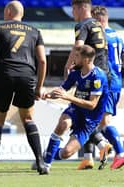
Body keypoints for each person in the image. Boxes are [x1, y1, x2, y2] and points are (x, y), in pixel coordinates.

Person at [0, 0, 48, 175]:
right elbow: (42, 60)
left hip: (5, 76)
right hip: (26, 77)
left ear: (8, 12)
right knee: (28, 119)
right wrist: (40, 86)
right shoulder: (35, 31)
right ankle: (41, 163)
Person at [43, 45, 108, 173]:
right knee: (63, 124)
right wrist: (49, 95)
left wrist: (68, 97)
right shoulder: (75, 72)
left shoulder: (98, 77)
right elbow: (63, 89)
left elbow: (92, 105)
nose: (73, 59)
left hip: (90, 119)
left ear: (87, 60)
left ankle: (45, 156)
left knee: (66, 153)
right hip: (76, 110)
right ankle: (45, 165)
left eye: (77, 56)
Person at [62, 0, 111, 170]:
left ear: (82, 7)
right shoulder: (98, 24)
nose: (73, 13)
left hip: (90, 75)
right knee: (88, 116)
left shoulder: (82, 25)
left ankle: (103, 144)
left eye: (74, 9)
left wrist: (69, 65)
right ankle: (90, 156)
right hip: (104, 74)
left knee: (79, 112)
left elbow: (78, 47)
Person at [77, 6, 124, 170]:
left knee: (104, 122)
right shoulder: (118, 37)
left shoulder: (104, 38)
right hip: (117, 82)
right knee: (89, 119)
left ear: (101, 19)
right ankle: (88, 158)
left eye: (95, 21)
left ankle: (120, 153)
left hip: (107, 82)